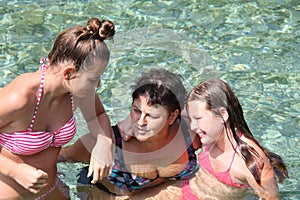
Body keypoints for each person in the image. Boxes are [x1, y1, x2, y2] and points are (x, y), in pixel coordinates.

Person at [0, 18, 115, 199]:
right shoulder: (20, 98)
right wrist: (14, 171)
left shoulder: (78, 91)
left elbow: (97, 115)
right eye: (93, 79)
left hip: (51, 189)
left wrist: (104, 143)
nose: (98, 85)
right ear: (69, 73)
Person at [58, 69, 201, 198]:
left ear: (172, 116)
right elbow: (61, 156)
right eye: (136, 111)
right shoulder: (110, 144)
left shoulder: (189, 132)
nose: (140, 122)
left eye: (151, 116)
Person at [182, 78, 288, 200]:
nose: (193, 127)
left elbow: (271, 198)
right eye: (191, 119)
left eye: (198, 118)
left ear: (223, 114)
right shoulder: (208, 136)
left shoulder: (250, 163)